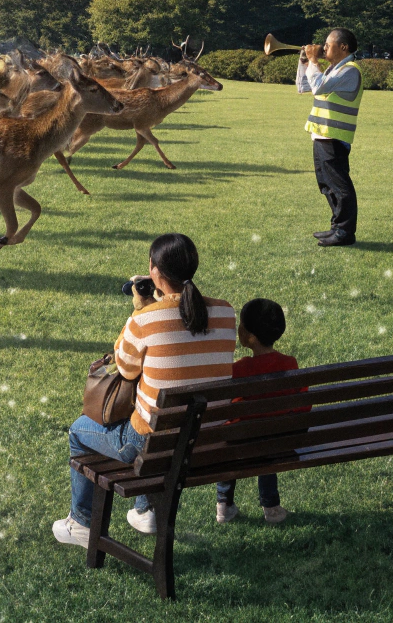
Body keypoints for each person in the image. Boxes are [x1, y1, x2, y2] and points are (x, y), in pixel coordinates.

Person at [54, 233, 236, 548]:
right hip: (208, 439)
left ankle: (82, 522)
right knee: (159, 411)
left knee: (79, 431)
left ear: (153, 270)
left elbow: (125, 368)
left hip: (151, 446)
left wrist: (140, 311)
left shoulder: (146, 318)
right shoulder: (226, 312)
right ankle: (146, 509)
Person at [215, 298, 307, 525]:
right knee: (267, 438)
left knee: (233, 439)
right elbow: (303, 402)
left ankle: (224, 505)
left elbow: (225, 405)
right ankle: (271, 507)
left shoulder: (239, 369)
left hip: (243, 440)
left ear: (251, 337)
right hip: (278, 438)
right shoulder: (289, 363)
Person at [296, 28, 363, 247]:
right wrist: (305, 62)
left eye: (328, 44)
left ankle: (344, 232)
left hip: (334, 137)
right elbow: (303, 86)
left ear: (343, 47)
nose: (324, 47)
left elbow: (317, 88)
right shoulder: (333, 70)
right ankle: (337, 228)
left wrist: (314, 60)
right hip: (322, 136)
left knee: (340, 186)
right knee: (327, 185)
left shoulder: (350, 70)